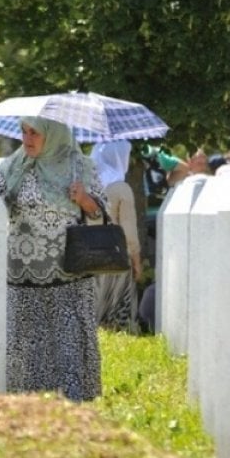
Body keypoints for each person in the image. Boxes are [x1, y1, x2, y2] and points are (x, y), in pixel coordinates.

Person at [0, 116, 106, 402]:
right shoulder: (14, 166)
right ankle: (27, 402)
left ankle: (72, 401)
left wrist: (85, 200)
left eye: (35, 133)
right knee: (26, 339)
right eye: (24, 132)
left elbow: (101, 216)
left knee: (66, 339)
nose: (27, 139)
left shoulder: (79, 166)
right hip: (22, 271)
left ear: (53, 134)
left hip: (68, 271)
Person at [90, 140, 143, 334]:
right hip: (116, 256)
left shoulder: (87, 183)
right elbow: (128, 232)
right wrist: (136, 261)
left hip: (88, 254)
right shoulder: (121, 188)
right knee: (117, 313)